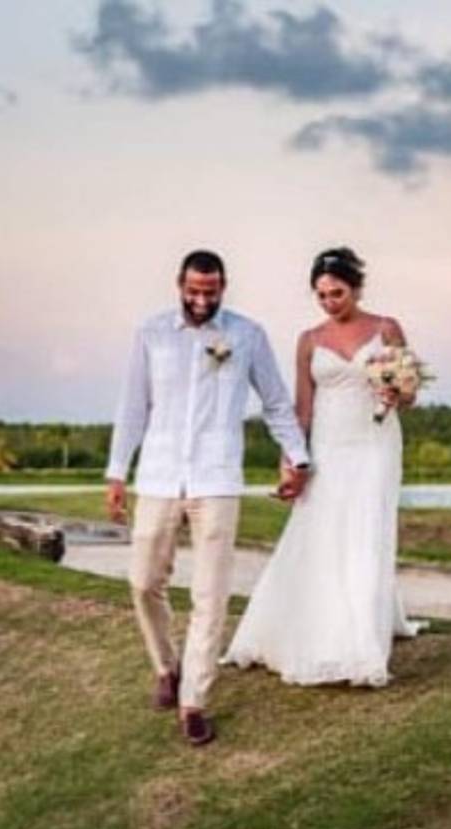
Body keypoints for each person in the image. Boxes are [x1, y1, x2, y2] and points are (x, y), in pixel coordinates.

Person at [105, 249, 310, 746]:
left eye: (211, 290)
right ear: (179, 284)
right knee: (142, 582)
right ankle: (166, 667)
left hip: (216, 480)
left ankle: (194, 699)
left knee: (210, 596)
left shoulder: (247, 335)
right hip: (157, 476)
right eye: (194, 290)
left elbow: (277, 402)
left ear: (223, 286)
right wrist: (116, 472)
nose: (202, 299)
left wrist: (298, 457)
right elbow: (133, 406)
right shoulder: (150, 334)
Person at [223, 247, 424, 687]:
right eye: (322, 295)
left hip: (376, 441)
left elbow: (409, 393)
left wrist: (398, 395)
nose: (330, 302)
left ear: (356, 288)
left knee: (367, 527)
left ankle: (362, 642)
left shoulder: (386, 328)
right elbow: (302, 410)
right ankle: (315, 626)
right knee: (321, 529)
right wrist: (291, 462)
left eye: (337, 293)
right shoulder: (309, 340)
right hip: (329, 444)